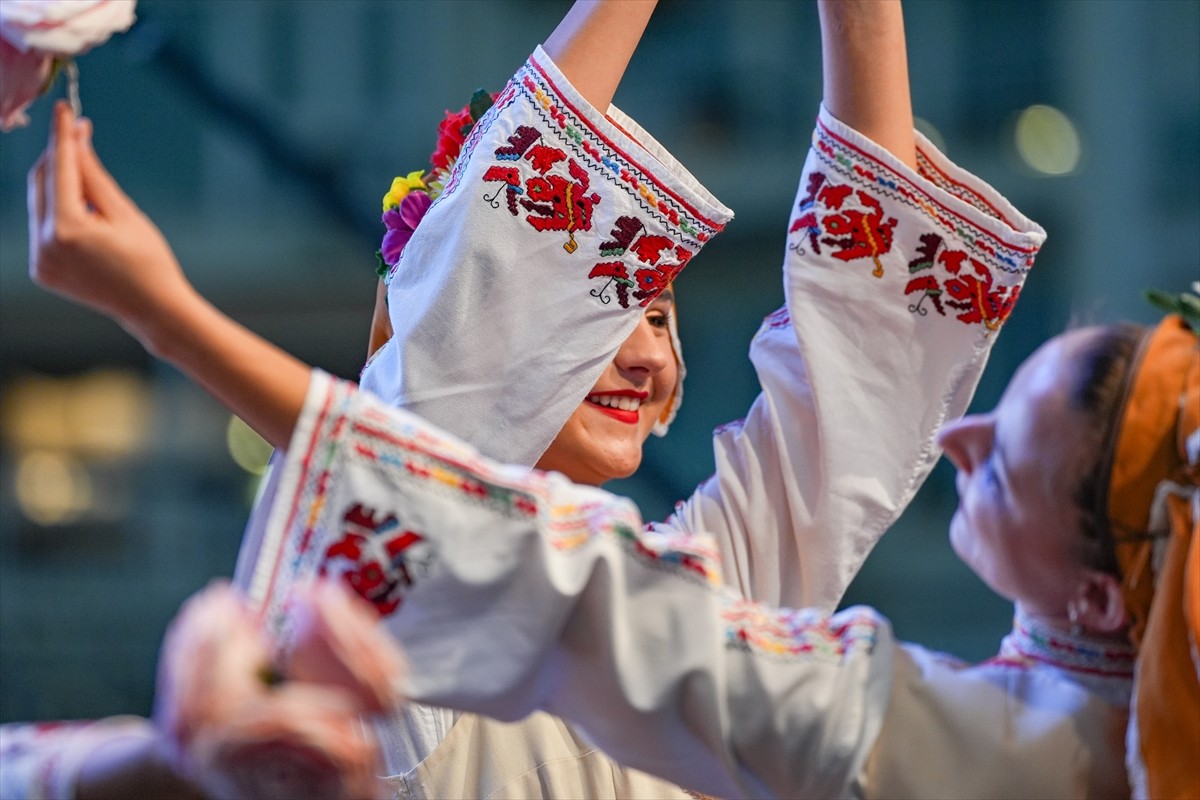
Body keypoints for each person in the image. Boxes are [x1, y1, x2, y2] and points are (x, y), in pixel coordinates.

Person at [6, 0, 1072, 796]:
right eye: (599, 305)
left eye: (659, 314)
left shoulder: (705, 594)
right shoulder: (379, 593)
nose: (642, 352)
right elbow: (447, 393)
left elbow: (861, 378)